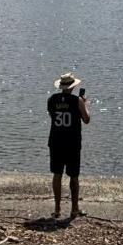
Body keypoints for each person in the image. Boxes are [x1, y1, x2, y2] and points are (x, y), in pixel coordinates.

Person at [47, 70, 90, 218]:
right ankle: (74, 209)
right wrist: (84, 103)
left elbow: (52, 115)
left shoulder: (52, 99)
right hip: (72, 143)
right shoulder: (77, 101)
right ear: (73, 86)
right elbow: (86, 119)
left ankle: (57, 209)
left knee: (57, 175)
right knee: (74, 176)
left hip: (56, 142)